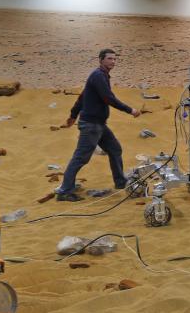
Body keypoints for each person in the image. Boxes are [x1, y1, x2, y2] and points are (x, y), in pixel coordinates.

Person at [55, 49, 139, 202]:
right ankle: (64, 191)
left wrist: (73, 115)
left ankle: (120, 182)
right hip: (91, 125)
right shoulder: (98, 76)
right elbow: (108, 98)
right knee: (80, 158)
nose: (113, 62)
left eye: (114, 59)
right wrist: (130, 110)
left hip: (99, 124)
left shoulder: (101, 76)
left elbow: (82, 97)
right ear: (101, 60)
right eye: (109, 59)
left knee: (114, 148)